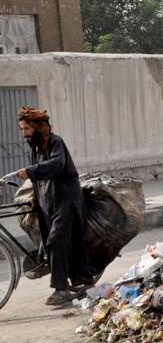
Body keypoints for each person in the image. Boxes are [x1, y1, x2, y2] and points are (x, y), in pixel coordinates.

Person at [15, 106, 92, 305]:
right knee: (55, 244)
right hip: (47, 202)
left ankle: (60, 289)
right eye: (22, 130)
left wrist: (31, 171)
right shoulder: (35, 147)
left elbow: (58, 164)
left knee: (56, 241)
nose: (24, 134)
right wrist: (33, 195)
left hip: (65, 200)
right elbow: (39, 179)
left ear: (37, 127)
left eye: (26, 129)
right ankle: (79, 279)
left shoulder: (55, 142)